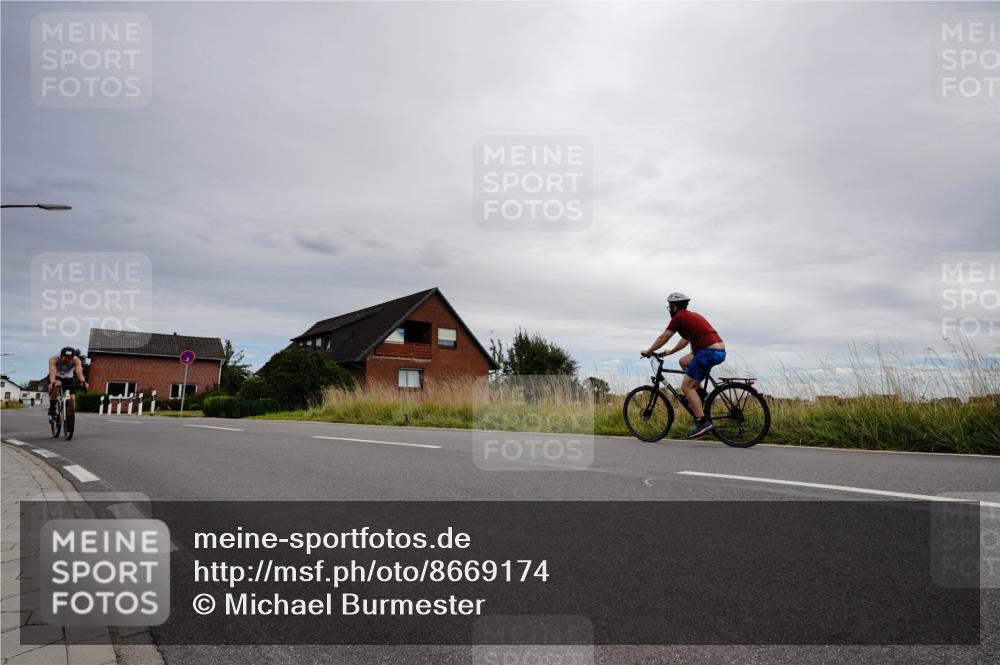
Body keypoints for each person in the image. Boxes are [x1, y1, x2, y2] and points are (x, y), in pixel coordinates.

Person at [641, 293, 726, 439]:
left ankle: (702, 422)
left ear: (674, 307)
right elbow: (685, 340)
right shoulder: (691, 316)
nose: (669, 309)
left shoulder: (678, 318)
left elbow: (663, 338)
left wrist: (649, 351)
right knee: (683, 362)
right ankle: (700, 394)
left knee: (686, 387)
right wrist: (670, 352)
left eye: (670, 306)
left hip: (707, 352)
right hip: (718, 350)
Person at [48, 347, 88, 418]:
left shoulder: (76, 360)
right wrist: (52, 382)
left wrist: (83, 381)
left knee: (72, 398)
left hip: (68, 378)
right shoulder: (54, 359)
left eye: (70, 358)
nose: (68, 360)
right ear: (61, 356)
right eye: (66, 358)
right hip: (56, 376)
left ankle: (69, 417)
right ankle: (52, 408)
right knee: (57, 384)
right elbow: (52, 371)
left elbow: (79, 371)